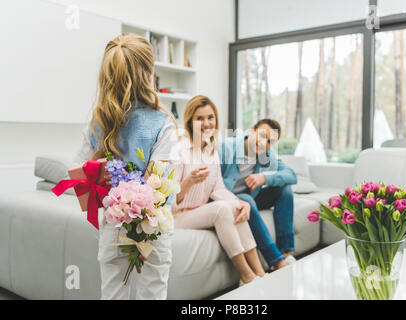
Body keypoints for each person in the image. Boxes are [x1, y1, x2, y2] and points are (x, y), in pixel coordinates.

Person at [74, 34, 177, 299]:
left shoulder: (98, 123)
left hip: (112, 230)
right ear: (149, 72)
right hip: (153, 232)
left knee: (112, 295)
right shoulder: (162, 123)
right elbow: (159, 186)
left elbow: (79, 184)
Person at [171, 95, 266, 285]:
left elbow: (219, 189)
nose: (206, 123)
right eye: (200, 118)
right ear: (190, 121)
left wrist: (241, 203)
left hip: (197, 211)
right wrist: (189, 181)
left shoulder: (211, 151)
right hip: (176, 215)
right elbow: (169, 198)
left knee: (235, 208)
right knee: (222, 209)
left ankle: (260, 273)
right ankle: (247, 276)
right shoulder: (179, 150)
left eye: (210, 117)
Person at [220, 119, 297, 271]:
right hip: (224, 199)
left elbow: (291, 175)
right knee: (247, 199)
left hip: (250, 198)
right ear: (252, 130)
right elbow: (213, 184)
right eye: (262, 135)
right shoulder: (226, 148)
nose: (263, 143)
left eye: (269, 141)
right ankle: (276, 261)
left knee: (285, 190)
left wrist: (264, 178)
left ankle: (286, 253)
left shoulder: (267, 154)